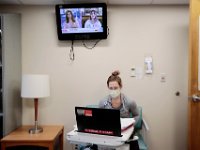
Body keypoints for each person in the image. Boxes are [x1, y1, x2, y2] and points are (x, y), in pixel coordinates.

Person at [99, 70, 140, 150]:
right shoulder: (103, 102)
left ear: (120, 87)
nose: (113, 90)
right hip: (110, 133)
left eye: (115, 88)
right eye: (111, 88)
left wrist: (130, 128)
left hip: (125, 133)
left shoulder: (129, 102)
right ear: (108, 87)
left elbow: (137, 115)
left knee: (134, 145)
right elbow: (99, 118)